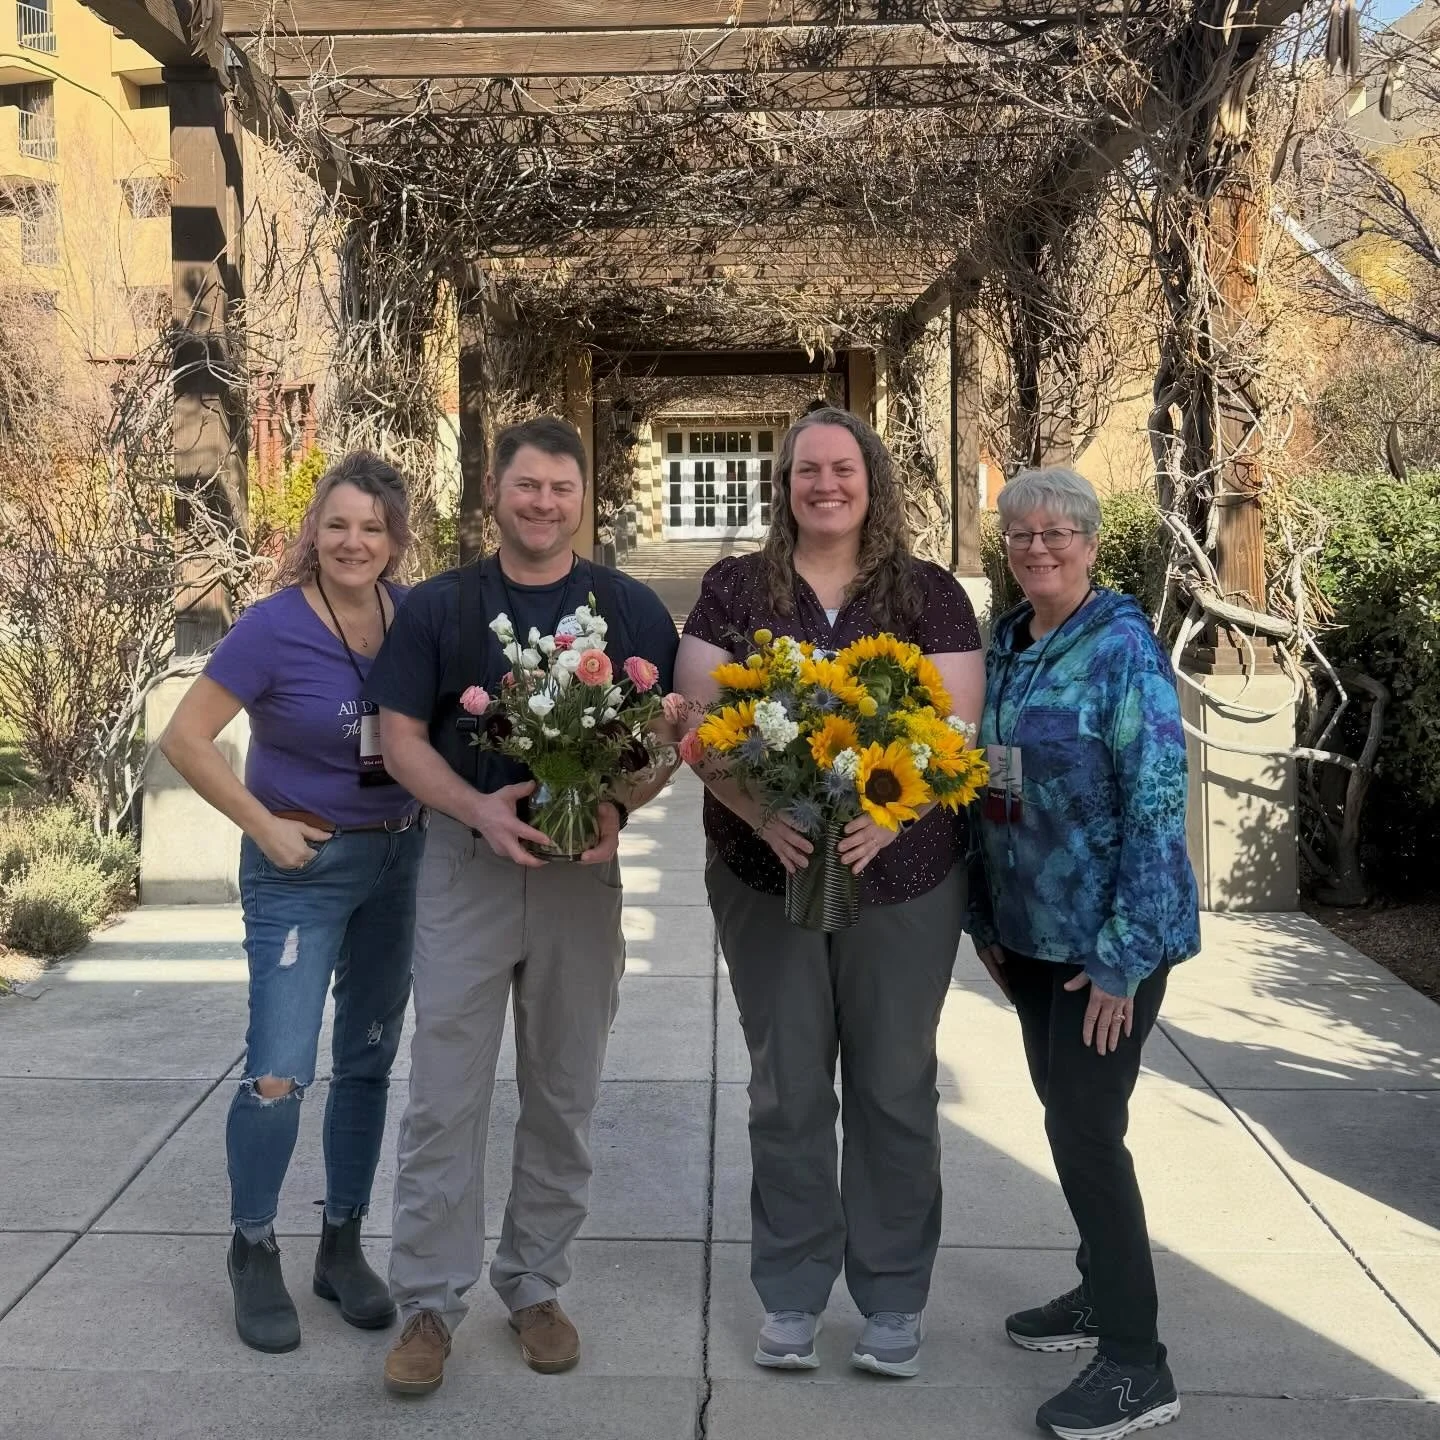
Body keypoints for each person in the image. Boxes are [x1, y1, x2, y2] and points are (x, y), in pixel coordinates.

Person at [365, 415, 680, 1395]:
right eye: (527, 485)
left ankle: (535, 1284)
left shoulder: (628, 609)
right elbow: (401, 738)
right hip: (467, 867)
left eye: (561, 488)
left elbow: (664, 738)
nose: (544, 503)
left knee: (564, 1092)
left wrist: (617, 805)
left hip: (581, 876)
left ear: (582, 498)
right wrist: (476, 809)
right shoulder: (440, 607)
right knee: (444, 1096)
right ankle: (427, 1302)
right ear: (494, 492)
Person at [675, 406, 984, 1379]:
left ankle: (892, 1298)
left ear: (871, 481)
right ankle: (793, 1292)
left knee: (895, 1085)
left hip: (903, 878)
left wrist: (892, 814)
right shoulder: (735, 589)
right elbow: (698, 728)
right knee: (789, 1087)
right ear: (785, 487)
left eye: (843, 469)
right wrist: (760, 810)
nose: (825, 485)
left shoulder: (927, 593)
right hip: (765, 874)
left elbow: (955, 733)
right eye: (807, 470)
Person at [159, 452, 421, 1355]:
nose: (354, 542)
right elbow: (186, 739)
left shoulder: (411, 619)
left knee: (369, 1059)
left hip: (399, 858)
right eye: (337, 524)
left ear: (395, 539)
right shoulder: (271, 628)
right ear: (315, 531)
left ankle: (342, 1244)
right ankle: (254, 1245)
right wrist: (264, 827)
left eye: (372, 527)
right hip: (300, 864)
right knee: (278, 1069)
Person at [968, 466, 1200, 1440]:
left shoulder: (1122, 653)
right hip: (1029, 937)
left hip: (1106, 947)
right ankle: (1099, 1291)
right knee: (1068, 1117)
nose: (1038, 548)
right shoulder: (1011, 643)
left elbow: (1157, 808)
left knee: (1087, 1133)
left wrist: (1122, 959)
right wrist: (984, 921)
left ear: (1092, 544)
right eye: (1021, 535)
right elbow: (986, 784)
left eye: (1057, 533)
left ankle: (1139, 1364)